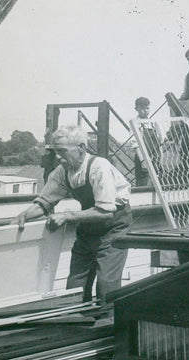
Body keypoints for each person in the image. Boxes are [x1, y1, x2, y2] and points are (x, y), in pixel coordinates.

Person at [15, 126, 132, 302]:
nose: (58, 157)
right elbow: (45, 202)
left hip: (114, 226)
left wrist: (67, 216)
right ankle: (78, 324)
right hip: (88, 227)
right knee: (75, 285)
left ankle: (110, 324)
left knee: (106, 283)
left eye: (63, 152)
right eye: (56, 152)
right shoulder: (62, 172)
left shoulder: (98, 167)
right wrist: (26, 214)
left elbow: (106, 212)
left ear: (81, 148)